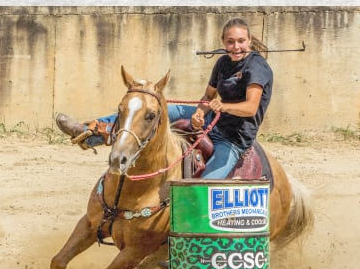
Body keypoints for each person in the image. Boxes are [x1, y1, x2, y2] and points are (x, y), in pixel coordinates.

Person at [55, 17, 273, 179]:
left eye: (241, 41)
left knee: (206, 185)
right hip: (212, 121)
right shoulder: (223, 63)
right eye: (231, 42)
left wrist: (222, 107)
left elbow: (250, 108)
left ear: (249, 40)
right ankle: (93, 130)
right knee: (163, 108)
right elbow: (208, 96)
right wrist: (199, 112)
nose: (236, 47)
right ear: (223, 41)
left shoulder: (256, 68)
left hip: (233, 139)